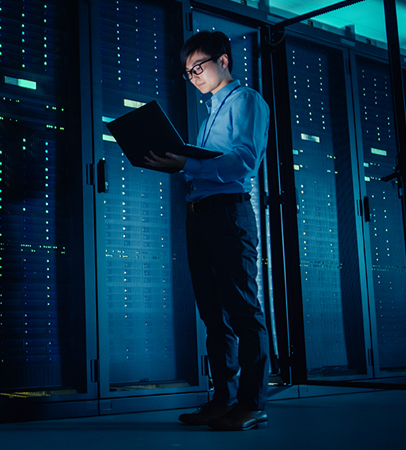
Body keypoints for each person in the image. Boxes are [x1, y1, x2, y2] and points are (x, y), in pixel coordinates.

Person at [145, 30, 270, 431]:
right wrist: (174, 161)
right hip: (200, 214)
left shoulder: (246, 101)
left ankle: (252, 404)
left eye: (198, 66)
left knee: (242, 310)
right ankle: (223, 400)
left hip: (228, 215)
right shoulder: (208, 116)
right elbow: (203, 166)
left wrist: (186, 164)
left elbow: (243, 162)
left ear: (224, 60)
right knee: (214, 316)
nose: (194, 74)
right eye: (188, 71)